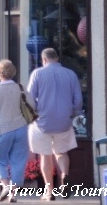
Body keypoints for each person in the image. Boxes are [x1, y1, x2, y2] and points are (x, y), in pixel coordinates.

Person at [27, 48, 83, 200]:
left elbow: (30, 99)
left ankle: (49, 191)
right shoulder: (70, 74)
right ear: (57, 58)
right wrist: (75, 114)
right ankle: (64, 175)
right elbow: (78, 99)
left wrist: (31, 115)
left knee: (45, 156)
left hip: (42, 122)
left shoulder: (37, 74)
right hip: (64, 121)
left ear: (44, 60)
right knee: (61, 152)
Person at [0, 59, 31, 203]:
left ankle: (5, 186)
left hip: (2, 129)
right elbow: (31, 105)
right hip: (21, 127)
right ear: (13, 73)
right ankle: (13, 195)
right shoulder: (21, 87)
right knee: (18, 161)